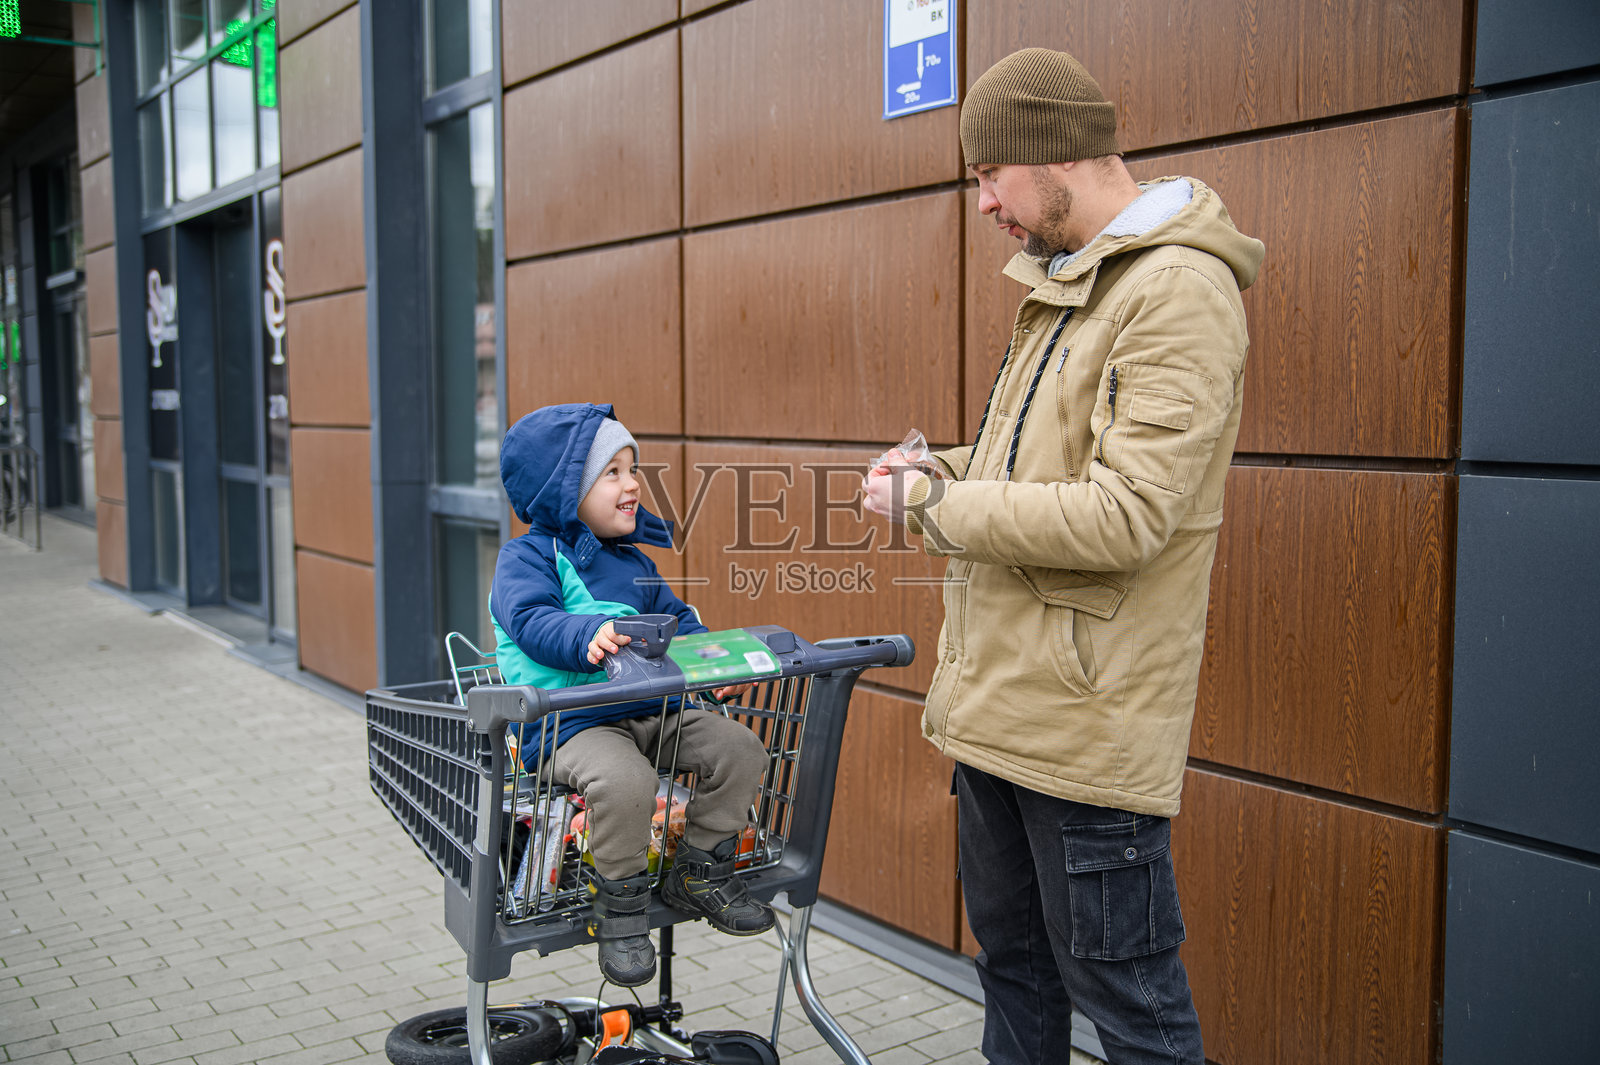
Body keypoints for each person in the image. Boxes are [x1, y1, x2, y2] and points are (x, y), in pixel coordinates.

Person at [863, 48, 1264, 1065]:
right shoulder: (1065, 281)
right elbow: (1024, 468)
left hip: (1085, 729)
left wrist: (933, 504)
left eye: (989, 173)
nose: (985, 203)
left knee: (1130, 1008)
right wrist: (935, 468)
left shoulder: (1176, 291)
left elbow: (1125, 515)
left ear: (1056, 153)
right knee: (1015, 973)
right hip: (1000, 711)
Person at [490, 402, 773, 988]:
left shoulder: (633, 561)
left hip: (650, 708)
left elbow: (678, 622)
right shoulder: (528, 557)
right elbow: (530, 620)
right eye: (612, 472)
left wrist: (714, 661)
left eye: (633, 468)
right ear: (563, 489)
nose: (633, 483)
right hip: (570, 724)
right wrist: (587, 634)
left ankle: (700, 868)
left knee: (741, 749)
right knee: (625, 782)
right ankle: (619, 905)